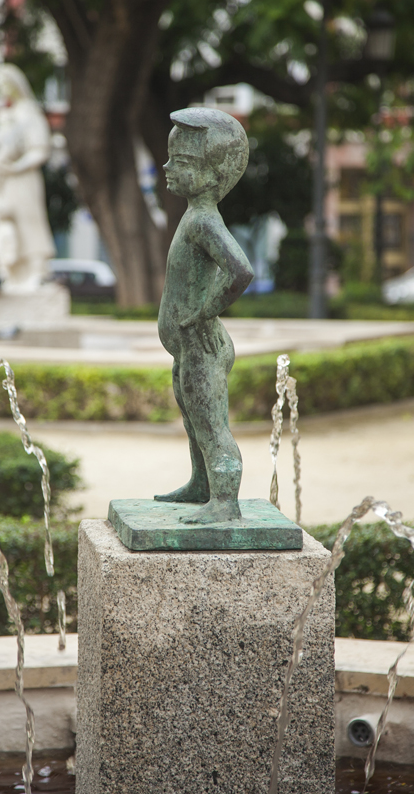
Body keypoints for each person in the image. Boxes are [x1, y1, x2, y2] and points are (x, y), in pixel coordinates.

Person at [155, 107, 254, 524]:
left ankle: (225, 502)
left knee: (211, 426)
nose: (167, 167)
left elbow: (241, 271)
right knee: (193, 421)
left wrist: (203, 313)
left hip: (200, 344)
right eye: (170, 158)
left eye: (181, 163)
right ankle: (202, 485)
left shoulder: (204, 222)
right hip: (188, 346)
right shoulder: (193, 215)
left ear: (214, 176)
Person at [0, 63, 55, 294]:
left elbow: (40, 149)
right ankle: (11, 272)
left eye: (2, 84)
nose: (0, 90)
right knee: (5, 223)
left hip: (23, 179)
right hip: (4, 180)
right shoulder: (6, 114)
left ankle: (36, 271)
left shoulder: (28, 113)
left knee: (29, 223)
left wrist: (15, 168)